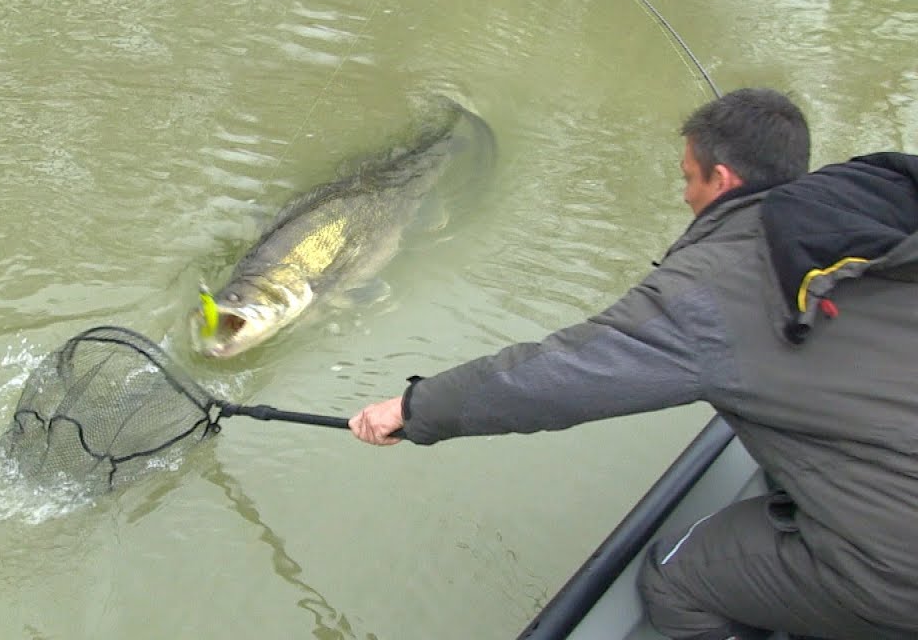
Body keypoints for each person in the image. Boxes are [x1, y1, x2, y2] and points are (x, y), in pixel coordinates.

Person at [349, 87, 918, 640]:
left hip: (896, 568)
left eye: (686, 177)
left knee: (676, 581)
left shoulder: (716, 289)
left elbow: (558, 377)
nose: (684, 195)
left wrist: (410, 408)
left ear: (721, 180)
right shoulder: (868, 218)